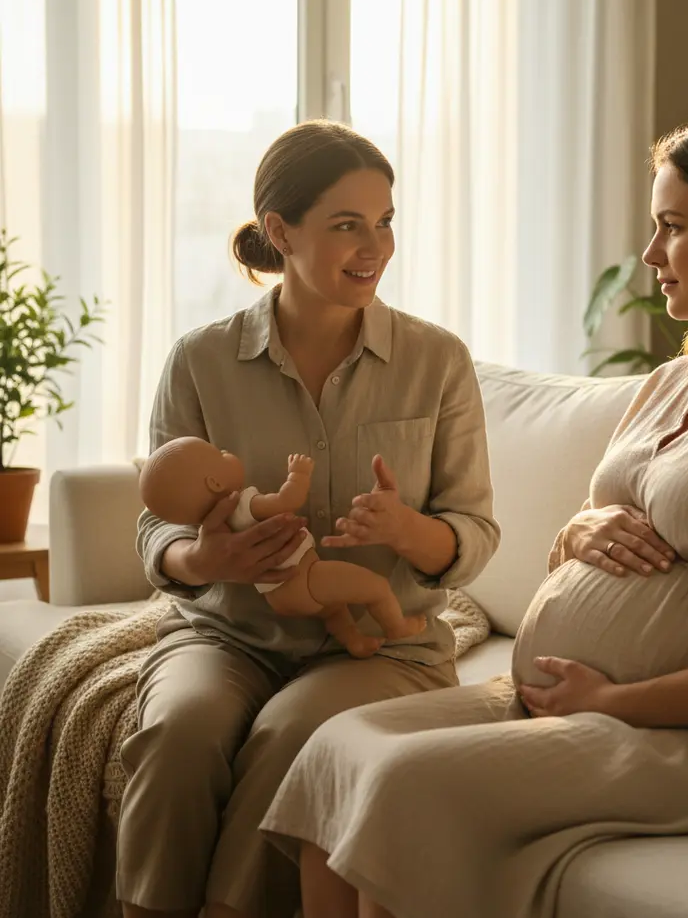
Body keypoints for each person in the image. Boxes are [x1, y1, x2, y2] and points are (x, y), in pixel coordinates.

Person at [259, 111, 688, 918]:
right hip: (570, 697)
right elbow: (583, 535)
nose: (649, 254)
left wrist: (612, 702)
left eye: (672, 226)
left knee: (402, 783)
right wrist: (578, 532)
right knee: (333, 751)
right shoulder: (677, 380)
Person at [117, 119, 500, 918]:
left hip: (382, 644)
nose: (375, 246)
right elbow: (157, 526)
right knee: (179, 731)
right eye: (347, 224)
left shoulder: (437, 360)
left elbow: (472, 531)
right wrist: (203, 561)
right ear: (280, 231)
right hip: (225, 633)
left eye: (384, 221)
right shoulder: (200, 360)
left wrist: (404, 530)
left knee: (291, 732)